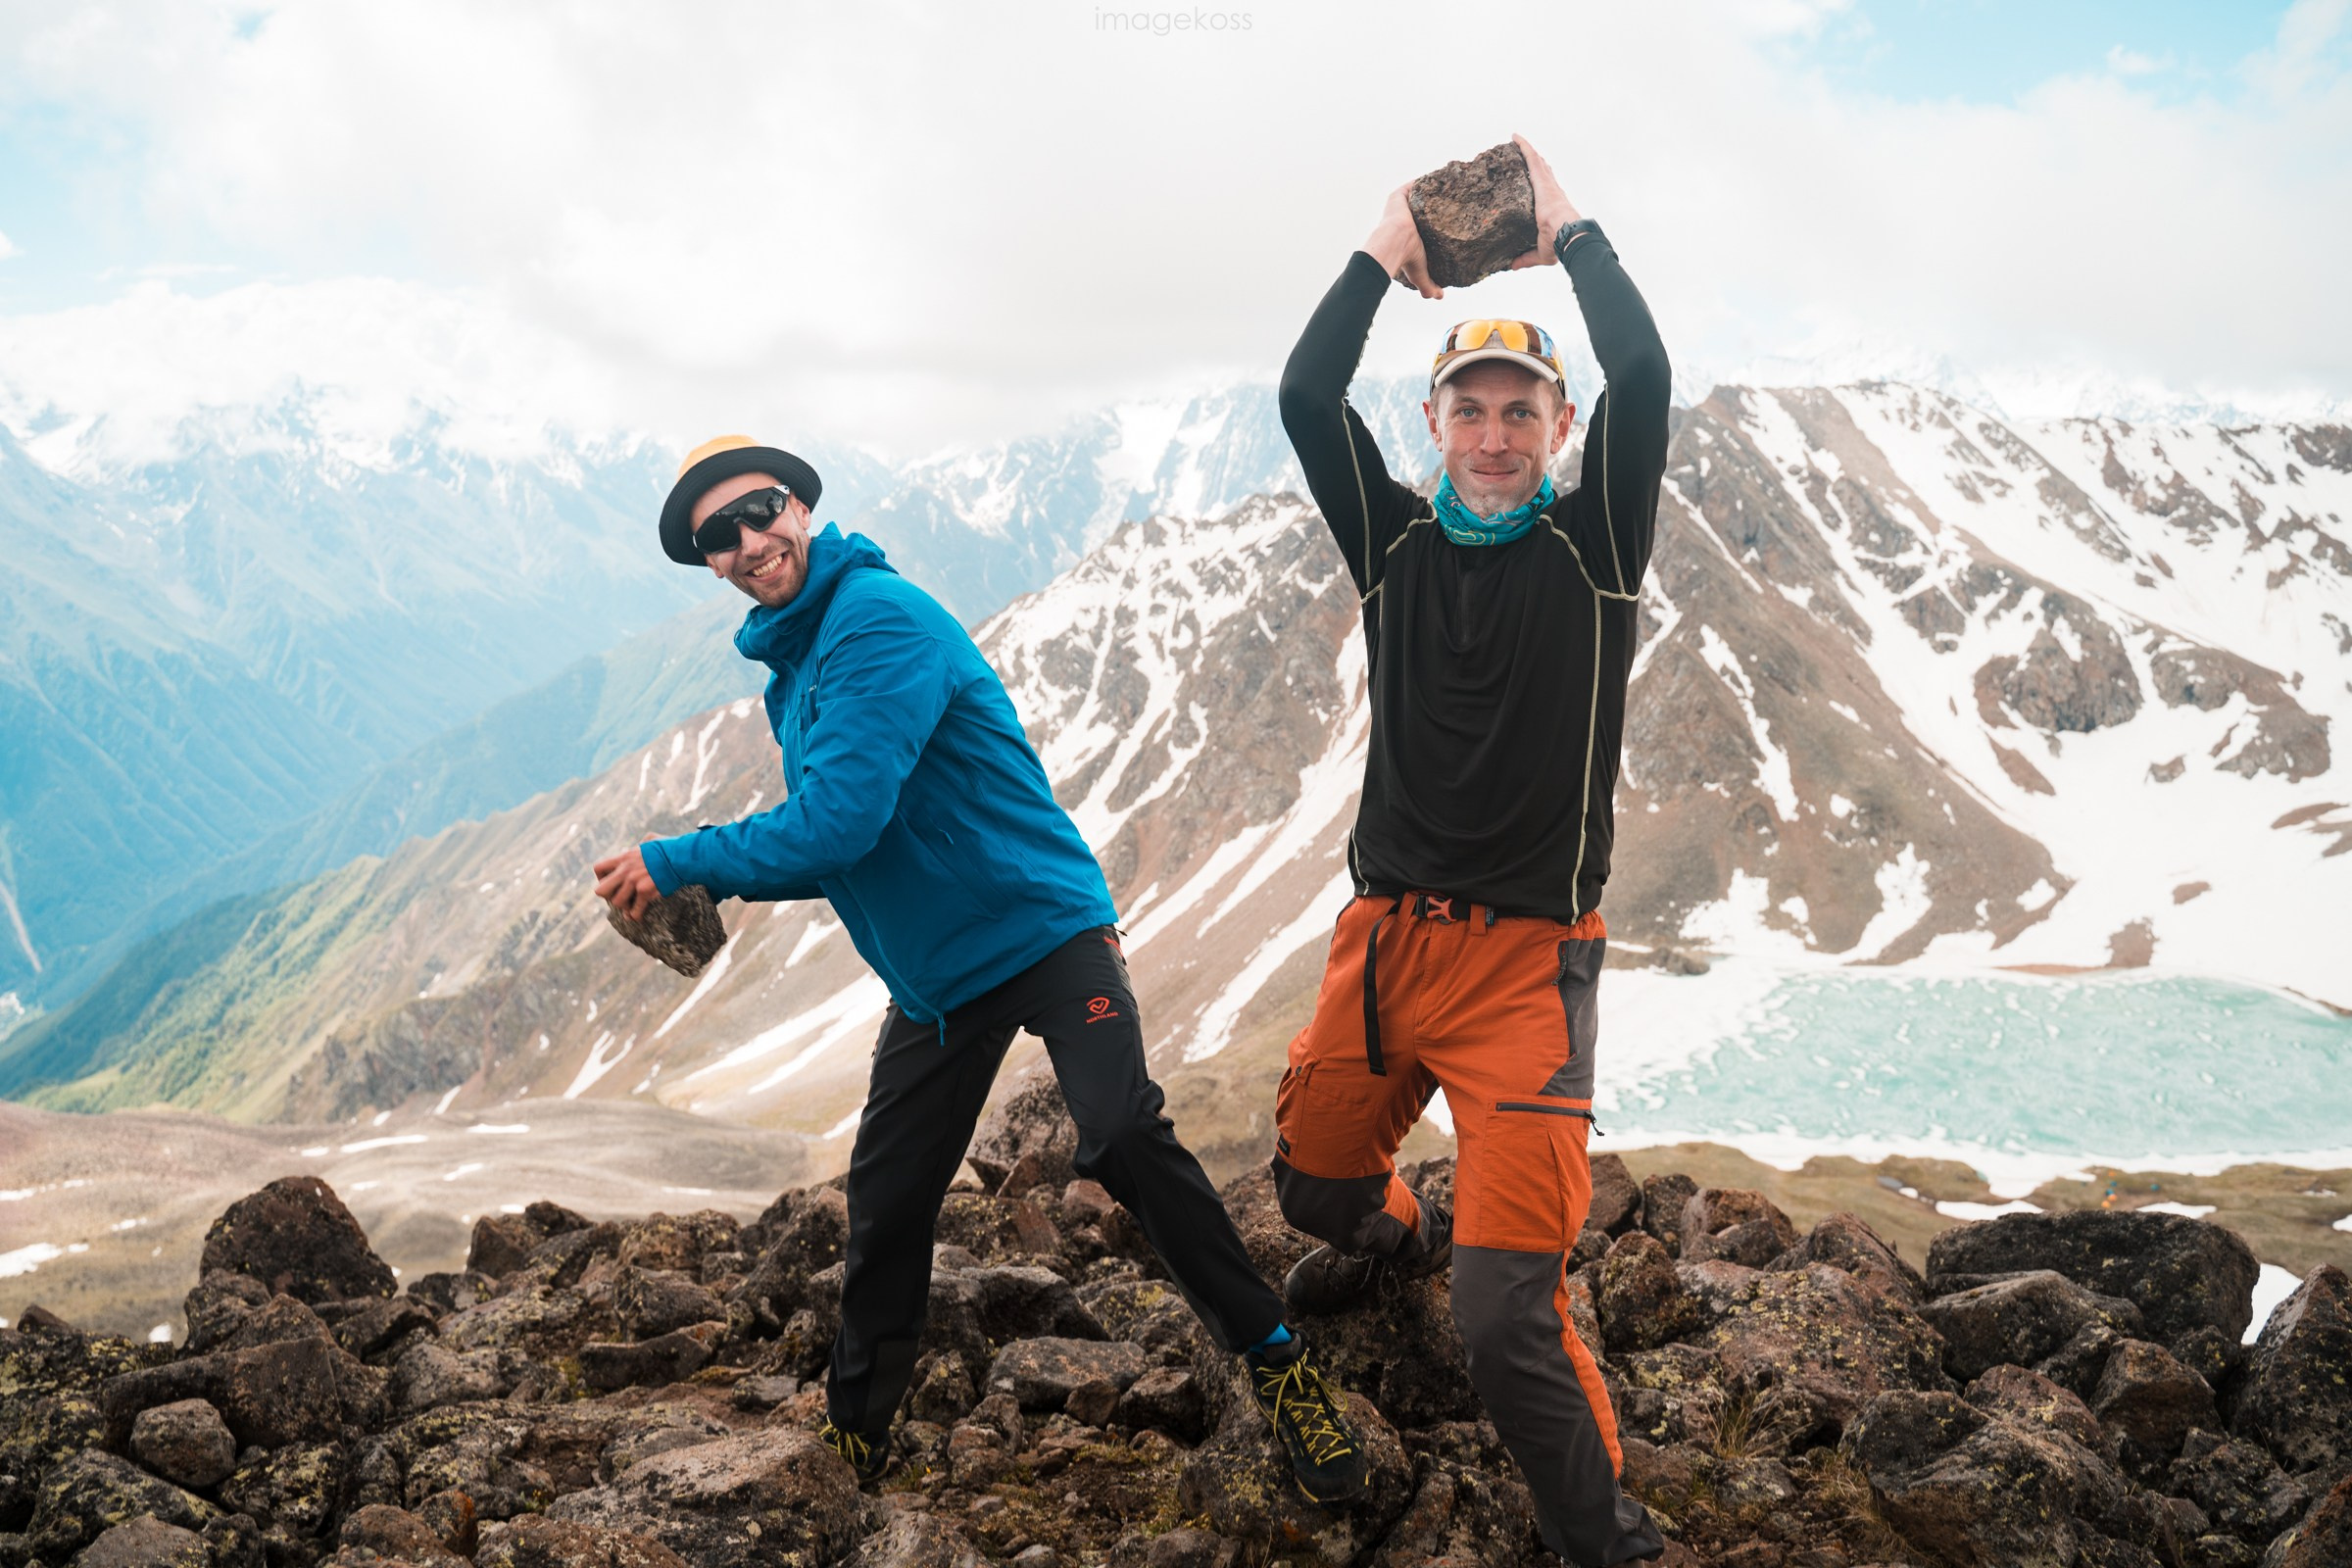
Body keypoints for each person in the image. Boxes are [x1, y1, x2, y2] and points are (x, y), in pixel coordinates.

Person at [591, 436, 1371, 1501]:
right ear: (711, 563)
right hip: (940, 984)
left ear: (801, 507)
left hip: (1046, 935)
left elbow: (838, 826)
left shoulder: (875, 621)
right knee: (890, 1198)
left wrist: (677, 862)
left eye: (760, 509)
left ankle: (1278, 1365)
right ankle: (856, 1436)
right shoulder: (799, 658)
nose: (746, 540)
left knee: (1123, 1131)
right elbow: (853, 831)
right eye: (716, 536)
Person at [1270, 136, 1672, 1564]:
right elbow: (1304, 398)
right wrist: (1387, 245)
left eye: (1522, 411)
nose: (1497, 435)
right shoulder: (1389, 545)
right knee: (1314, 1195)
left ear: (1559, 430)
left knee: (1506, 1323)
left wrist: (1568, 232)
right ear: (1435, 424)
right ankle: (1394, 1232)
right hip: (1383, 953)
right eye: (1471, 408)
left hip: (1523, 981)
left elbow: (1652, 379)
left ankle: (1604, 1544)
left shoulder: (1596, 548)